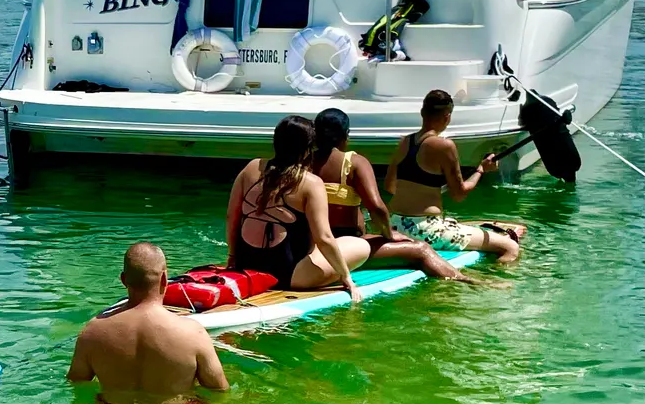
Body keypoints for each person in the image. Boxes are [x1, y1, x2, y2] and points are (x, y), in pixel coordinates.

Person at [307, 106, 470, 283]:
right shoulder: (354, 163)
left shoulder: (303, 162)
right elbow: (376, 207)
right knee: (420, 249)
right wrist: (389, 234)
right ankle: (467, 281)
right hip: (347, 246)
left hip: (310, 244)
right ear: (345, 135)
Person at [67, 243, 228, 404]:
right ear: (165, 279)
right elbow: (219, 390)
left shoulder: (93, 332)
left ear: (123, 280)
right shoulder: (192, 333)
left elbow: (76, 383)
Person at [225, 116, 368, 298]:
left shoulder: (251, 168)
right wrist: (346, 276)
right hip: (289, 276)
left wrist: (232, 256)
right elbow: (323, 237)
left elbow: (232, 217)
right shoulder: (311, 183)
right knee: (361, 245)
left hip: (246, 266)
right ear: (308, 148)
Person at [385, 90, 526, 262]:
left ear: (422, 112)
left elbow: (389, 187)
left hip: (393, 224)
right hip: (424, 230)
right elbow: (459, 195)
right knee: (510, 247)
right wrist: (481, 170)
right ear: (447, 117)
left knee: (452, 222)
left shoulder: (404, 142)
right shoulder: (444, 146)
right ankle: (492, 286)